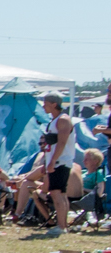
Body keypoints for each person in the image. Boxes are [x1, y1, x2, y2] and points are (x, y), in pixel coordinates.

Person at [15, 92, 75, 237]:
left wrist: (53, 161)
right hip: (57, 161)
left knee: (56, 193)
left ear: (54, 104)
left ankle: (61, 226)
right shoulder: (54, 120)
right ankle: (63, 225)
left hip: (60, 161)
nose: (43, 106)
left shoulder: (63, 120)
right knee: (60, 193)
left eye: (46, 103)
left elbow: (62, 142)